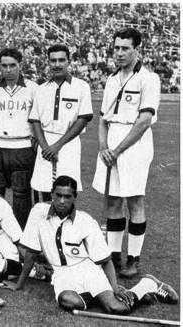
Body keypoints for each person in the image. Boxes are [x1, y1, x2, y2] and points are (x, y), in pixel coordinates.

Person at [7, 175, 178, 314]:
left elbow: (105, 260)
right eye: (58, 195)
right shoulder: (38, 212)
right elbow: (30, 254)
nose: (61, 201)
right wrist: (19, 284)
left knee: (117, 308)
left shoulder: (86, 221)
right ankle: (103, 297)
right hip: (62, 274)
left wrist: (113, 287)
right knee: (68, 300)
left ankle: (146, 285)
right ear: (51, 194)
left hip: (88, 270)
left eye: (67, 196)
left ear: (74, 197)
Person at [92, 28, 161, 278]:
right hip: (109, 147)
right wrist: (103, 148)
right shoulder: (112, 79)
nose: (119, 53)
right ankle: (112, 257)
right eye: (116, 48)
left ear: (136, 49)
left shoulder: (148, 78)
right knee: (112, 200)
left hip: (134, 148)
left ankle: (133, 259)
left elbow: (144, 121)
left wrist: (117, 150)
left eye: (125, 48)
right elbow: (102, 118)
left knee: (134, 200)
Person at [28, 44, 93, 203]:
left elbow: (83, 118)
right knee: (42, 189)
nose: (57, 64)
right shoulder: (41, 89)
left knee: (67, 189)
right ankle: (43, 225)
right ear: (48, 62)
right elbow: (35, 120)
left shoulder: (81, 87)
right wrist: (45, 147)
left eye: (61, 60)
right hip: (45, 143)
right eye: (53, 60)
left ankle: (65, 227)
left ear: (68, 62)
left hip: (68, 143)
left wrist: (57, 146)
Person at [0, 48, 38, 229]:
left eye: (12, 65)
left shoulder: (32, 88)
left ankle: (21, 235)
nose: (8, 70)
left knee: (21, 194)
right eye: (4, 66)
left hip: (22, 147)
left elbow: (37, 118)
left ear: (20, 65)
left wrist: (32, 138)